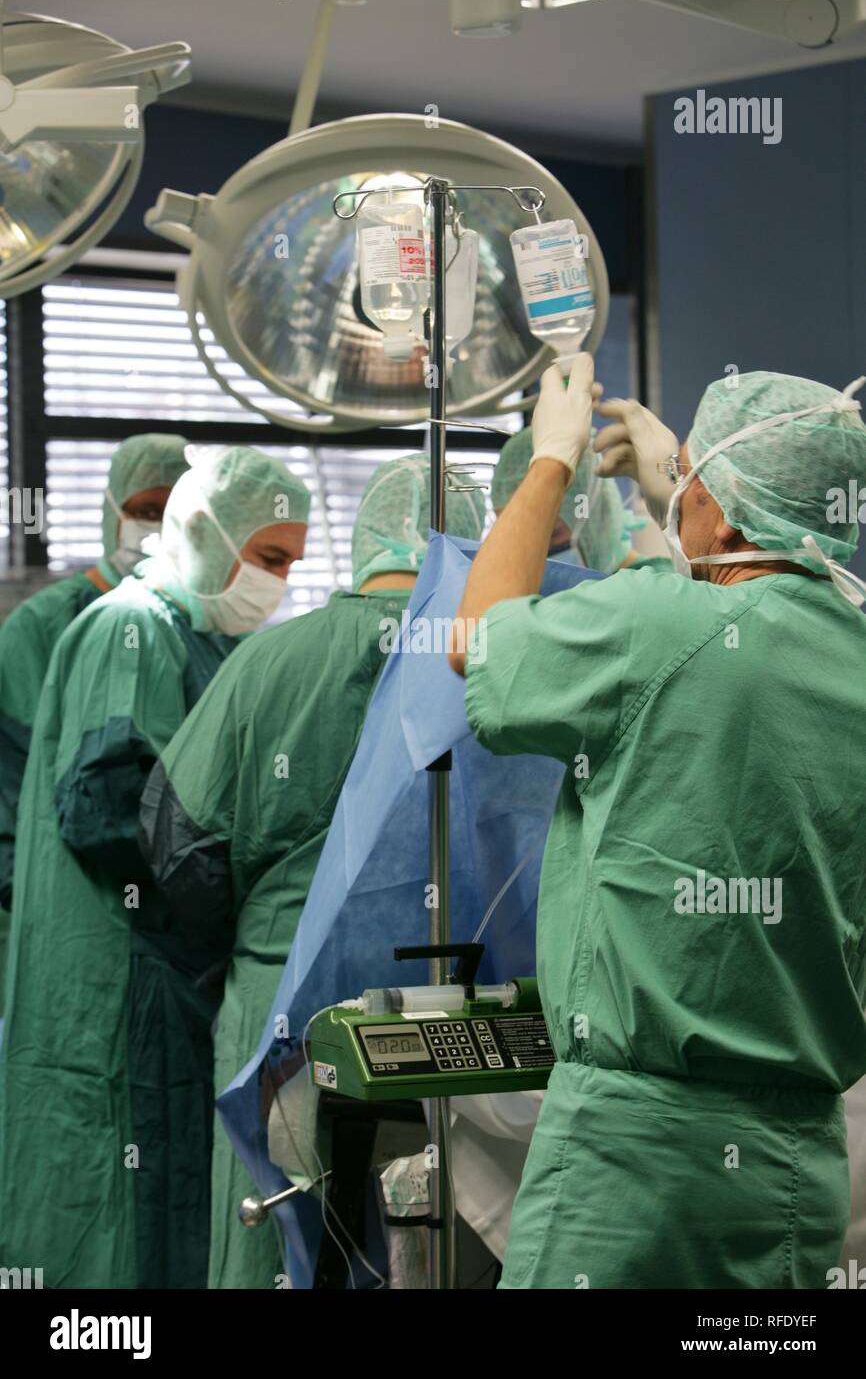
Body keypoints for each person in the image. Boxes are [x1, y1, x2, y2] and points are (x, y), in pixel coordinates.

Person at [449, 355, 866, 1289]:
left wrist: (548, 464)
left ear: (714, 506)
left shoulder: (659, 625)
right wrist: (679, 496)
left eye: (690, 494)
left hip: (632, 1165)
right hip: (797, 1166)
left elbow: (474, 643)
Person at [139, 453, 485, 1289]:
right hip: (450, 1021)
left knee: (280, 1246)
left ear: (363, 535)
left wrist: (264, 936)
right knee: (437, 1247)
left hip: (280, 1011)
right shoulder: (493, 666)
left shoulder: (266, 665)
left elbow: (176, 850)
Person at [0, 444, 311, 1289]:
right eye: (270, 557)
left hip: (157, 975)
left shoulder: (197, 639)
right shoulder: (129, 627)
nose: (278, 581)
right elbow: (110, 809)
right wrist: (232, 905)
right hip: (117, 975)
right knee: (114, 1220)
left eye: (292, 563)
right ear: (208, 532)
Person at [0, 433, 190, 1016]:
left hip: (172, 908)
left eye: (172, 512)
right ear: (112, 512)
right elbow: (36, 782)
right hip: (61, 902)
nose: (156, 527)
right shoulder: (44, 626)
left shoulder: (198, 623)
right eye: (144, 511)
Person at [491, 424, 638, 573]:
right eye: (511, 537)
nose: (531, 550)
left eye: (551, 533)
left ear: (594, 515)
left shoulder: (647, 589)